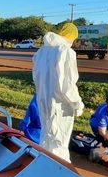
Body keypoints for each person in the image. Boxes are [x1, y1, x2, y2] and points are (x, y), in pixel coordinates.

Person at [32, 22, 84, 163]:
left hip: (44, 101)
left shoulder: (41, 51)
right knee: (59, 141)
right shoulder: (66, 51)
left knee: (46, 135)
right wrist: (77, 104)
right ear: (71, 37)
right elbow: (67, 85)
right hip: (61, 105)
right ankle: (58, 172)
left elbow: (36, 77)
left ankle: (43, 165)